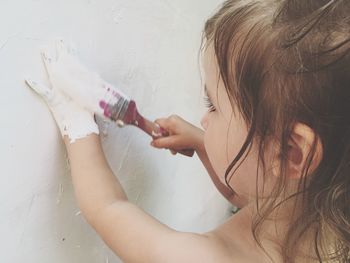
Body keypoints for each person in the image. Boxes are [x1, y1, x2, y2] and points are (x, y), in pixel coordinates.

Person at [26, 0, 350, 262]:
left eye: (214, 105)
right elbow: (250, 196)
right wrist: (203, 144)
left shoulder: (195, 257)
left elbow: (106, 208)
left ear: (290, 151)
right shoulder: (318, 206)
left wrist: (77, 122)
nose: (204, 118)